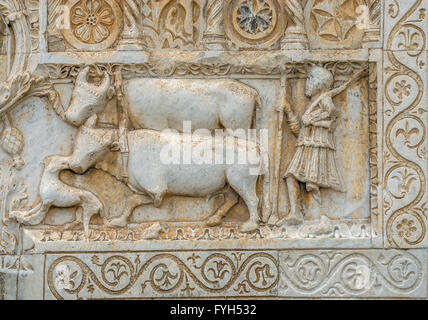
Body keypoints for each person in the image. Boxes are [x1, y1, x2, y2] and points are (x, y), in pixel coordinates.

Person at [281, 65, 346, 225]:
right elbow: (300, 132)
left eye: (309, 80)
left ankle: (320, 218)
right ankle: (296, 213)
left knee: (312, 182)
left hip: (317, 146)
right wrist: (289, 111)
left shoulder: (324, 99)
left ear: (319, 84)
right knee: (291, 176)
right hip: (306, 144)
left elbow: (335, 117)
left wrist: (318, 121)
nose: (306, 84)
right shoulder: (313, 103)